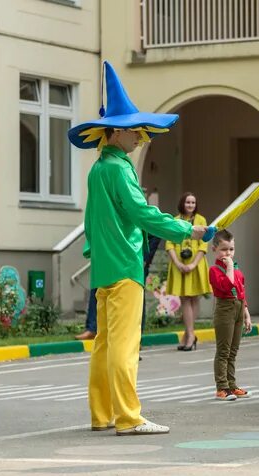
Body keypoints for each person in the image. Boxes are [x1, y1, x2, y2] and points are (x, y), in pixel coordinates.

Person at [68, 60, 206, 435]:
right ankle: (128, 417)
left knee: (104, 345)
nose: (141, 138)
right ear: (116, 132)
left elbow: (92, 220)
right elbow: (141, 212)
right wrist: (185, 230)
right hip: (126, 266)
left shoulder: (98, 170)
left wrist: (94, 254)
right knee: (125, 346)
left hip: (104, 268)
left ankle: (102, 415)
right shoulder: (119, 169)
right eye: (135, 132)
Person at [208, 230, 252, 401]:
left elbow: (241, 292)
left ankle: (232, 385)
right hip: (224, 309)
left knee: (233, 350)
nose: (228, 253)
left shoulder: (236, 269)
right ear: (215, 250)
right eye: (224, 250)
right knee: (223, 351)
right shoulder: (215, 270)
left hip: (239, 307)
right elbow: (227, 286)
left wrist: (246, 313)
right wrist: (229, 268)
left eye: (231, 249)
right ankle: (222, 387)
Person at [164, 192, 210, 350]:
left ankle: (189, 334)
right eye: (188, 202)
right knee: (184, 299)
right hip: (178, 265)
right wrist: (177, 263)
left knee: (194, 298)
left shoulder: (201, 220)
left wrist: (192, 265)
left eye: (193, 202)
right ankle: (190, 334)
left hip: (196, 265)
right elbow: (169, 243)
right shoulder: (175, 221)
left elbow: (204, 245)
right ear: (182, 203)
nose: (191, 205)